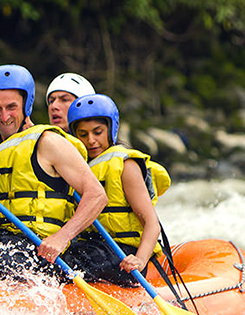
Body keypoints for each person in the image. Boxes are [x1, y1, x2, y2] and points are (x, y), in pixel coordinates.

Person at [0, 64, 109, 282]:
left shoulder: (48, 142)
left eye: (11, 107)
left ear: (27, 104)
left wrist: (61, 238)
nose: (4, 117)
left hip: (38, 249)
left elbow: (97, 195)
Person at [67, 93, 171, 278]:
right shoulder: (74, 168)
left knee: (81, 260)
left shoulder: (125, 165)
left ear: (111, 129)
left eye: (97, 132)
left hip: (123, 252)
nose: (91, 140)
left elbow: (151, 223)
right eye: (83, 134)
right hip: (92, 247)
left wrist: (139, 260)